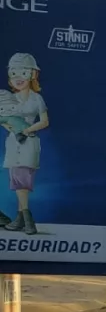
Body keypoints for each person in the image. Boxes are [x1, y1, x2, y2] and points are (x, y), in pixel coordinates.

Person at [1, 53, 49, 235]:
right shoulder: (7, 99)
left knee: (23, 183)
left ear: (32, 75)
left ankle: (28, 220)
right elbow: (4, 119)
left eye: (23, 72)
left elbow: (44, 121)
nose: (18, 78)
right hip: (14, 143)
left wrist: (27, 130)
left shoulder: (36, 99)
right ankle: (19, 220)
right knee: (16, 181)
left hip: (28, 144)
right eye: (14, 73)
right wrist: (10, 126)